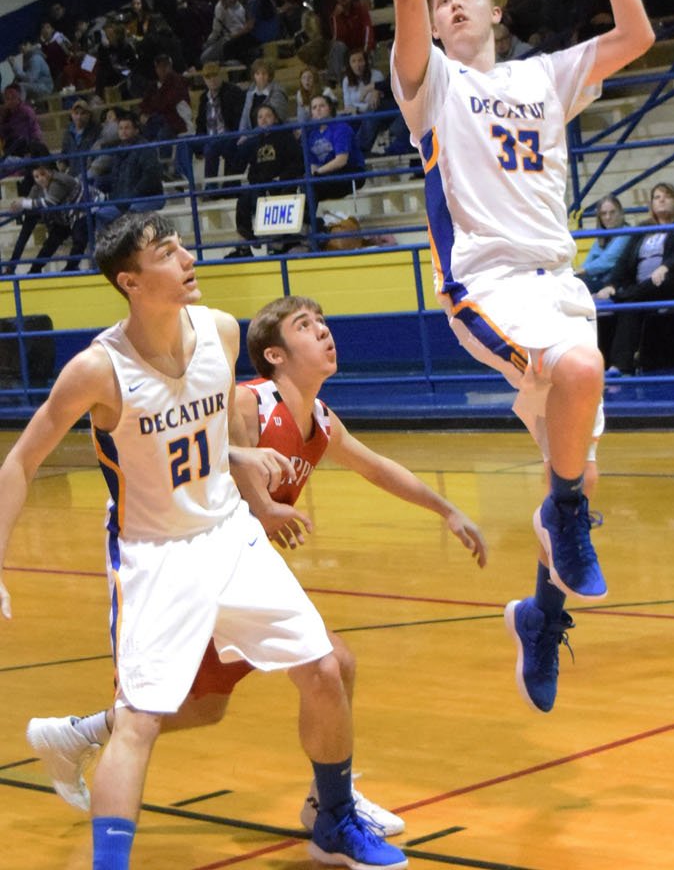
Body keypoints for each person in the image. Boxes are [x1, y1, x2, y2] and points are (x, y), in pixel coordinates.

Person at [1, 213, 406, 870]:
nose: (188, 256)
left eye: (182, 245)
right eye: (167, 252)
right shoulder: (96, 370)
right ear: (130, 280)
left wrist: (240, 465)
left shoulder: (219, 330)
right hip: (155, 554)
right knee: (140, 721)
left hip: (229, 536)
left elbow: (208, 435)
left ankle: (333, 819)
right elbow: (18, 463)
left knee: (326, 670)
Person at [28, 294, 485, 833]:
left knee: (208, 706)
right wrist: (263, 503)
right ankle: (329, 801)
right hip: (190, 560)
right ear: (274, 355)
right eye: (305, 325)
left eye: (323, 321)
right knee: (330, 665)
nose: (323, 331)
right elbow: (207, 446)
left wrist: (446, 508)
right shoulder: (248, 401)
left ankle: (76, 735)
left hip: (236, 569)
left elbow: (374, 466)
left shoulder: (317, 417)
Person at [382, 0, 654, 713]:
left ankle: (539, 617)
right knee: (575, 379)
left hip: (559, 283)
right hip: (485, 284)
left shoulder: (543, 78)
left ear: (498, 10)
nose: (452, 2)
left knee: (573, 472)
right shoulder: (433, 84)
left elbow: (638, 37)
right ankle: (565, 519)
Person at [597, 182, 674, 376]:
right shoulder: (643, 229)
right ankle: (610, 365)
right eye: (657, 197)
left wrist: (667, 266)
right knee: (620, 300)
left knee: (630, 298)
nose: (661, 200)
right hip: (639, 287)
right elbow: (624, 261)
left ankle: (621, 366)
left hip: (669, 281)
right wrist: (611, 285)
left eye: (667, 196)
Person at [228, 104, 304, 258]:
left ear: (275, 118)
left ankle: (282, 243)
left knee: (280, 196)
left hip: (283, 182)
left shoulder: (286, 136)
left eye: (268, 115)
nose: (264, 119)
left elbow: (298, 162)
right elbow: (252, 171)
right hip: (261, 185)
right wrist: (258, 181)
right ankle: (246, 242)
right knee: (243, 199)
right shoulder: (255, 142)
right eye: (260, 117)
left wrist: (281, 178)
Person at [3, 160, 89, 274]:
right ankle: (34, 270)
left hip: (84, 210)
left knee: (79, 238)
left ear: (50, 172)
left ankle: (71, 267)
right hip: (66, 216)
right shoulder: (37, 187)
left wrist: (23, 203)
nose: (40, 179)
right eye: (36, 176)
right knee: (51, 242)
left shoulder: (59, 180)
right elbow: (30, 203)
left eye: (43, 174)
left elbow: (49, 203)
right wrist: (18, 206)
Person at [305, 95, 365, 201]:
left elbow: (341, 161)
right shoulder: (312, 134)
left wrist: (317, 173)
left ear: (330, 109)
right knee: (303, 185)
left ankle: (310, 217)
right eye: (314, 107)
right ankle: (310, 217)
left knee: (311, 187)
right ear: (311, 113)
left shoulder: (341, 128)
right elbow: (313, 165)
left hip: (351, 172)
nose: (318, 109)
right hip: (326, 174)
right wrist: (315, 174)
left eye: (322, 106)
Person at [577, 196, 629, 294]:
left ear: (620, 213)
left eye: (612, 212)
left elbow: (607, 261)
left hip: (614, 282)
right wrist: (578, 271)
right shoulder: (602, 237)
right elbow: (589, 259)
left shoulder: (626, 233)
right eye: (603, 214)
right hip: (598, 280)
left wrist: (582, 270)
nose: (608, 217)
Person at [238, 58, 290, 132]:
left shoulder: (277, 93)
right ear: (254, 76)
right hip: (253, 135)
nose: (261, 77)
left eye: (264, 73)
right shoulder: (251, 92)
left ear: (269, 75)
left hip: (273, 133)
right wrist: (241, 134)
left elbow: (277, 120)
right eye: (257, 74)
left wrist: (250, 136)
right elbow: (244, 118)